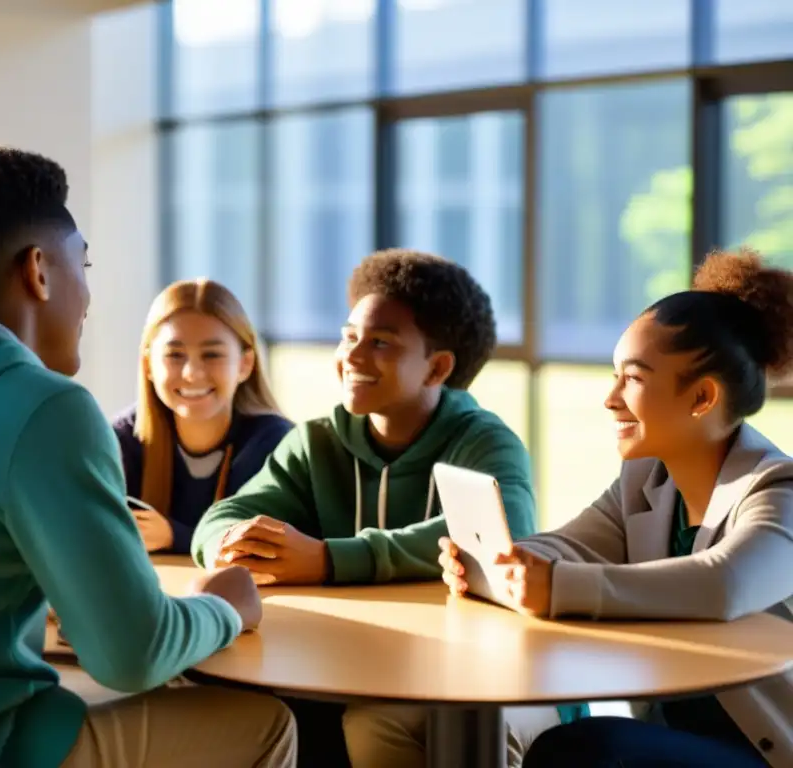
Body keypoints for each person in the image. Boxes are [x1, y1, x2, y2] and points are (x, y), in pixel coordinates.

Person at [0, 145, 295, 768]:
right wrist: (227, 605)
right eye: (82, 264)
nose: (88, 294)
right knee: (264, 725)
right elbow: (133, 656)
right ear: (39, 270)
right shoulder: (45, 409)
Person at [191, 248, 582, 767]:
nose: (352, 356)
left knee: (380, 723)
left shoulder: (486, 442)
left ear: (437, 367)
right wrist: (232, 544)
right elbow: (219, 520)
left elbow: (498, 538)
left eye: (380, 343)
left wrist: (328, 559)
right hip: (370, 673)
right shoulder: (317, 442)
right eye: (349, 336)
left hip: (504, 679)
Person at [441, 248, 793, 768]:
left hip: (767, 751)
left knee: (584, 750)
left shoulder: (777, 489)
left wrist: (557, 586)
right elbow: (570, 543)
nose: (610, 398)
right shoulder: (646, 480)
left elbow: (725, 584)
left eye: (633, 378)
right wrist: (504, 563)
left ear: (701, 398)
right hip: (682, 741)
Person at [113, 278, 292, 554]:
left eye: (211, 355)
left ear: (245, 364)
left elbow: (268, 547)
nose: (192, 373)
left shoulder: (277, 444)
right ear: (148, 365)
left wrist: (176, 536)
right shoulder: (120, 440)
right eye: (175, 355)